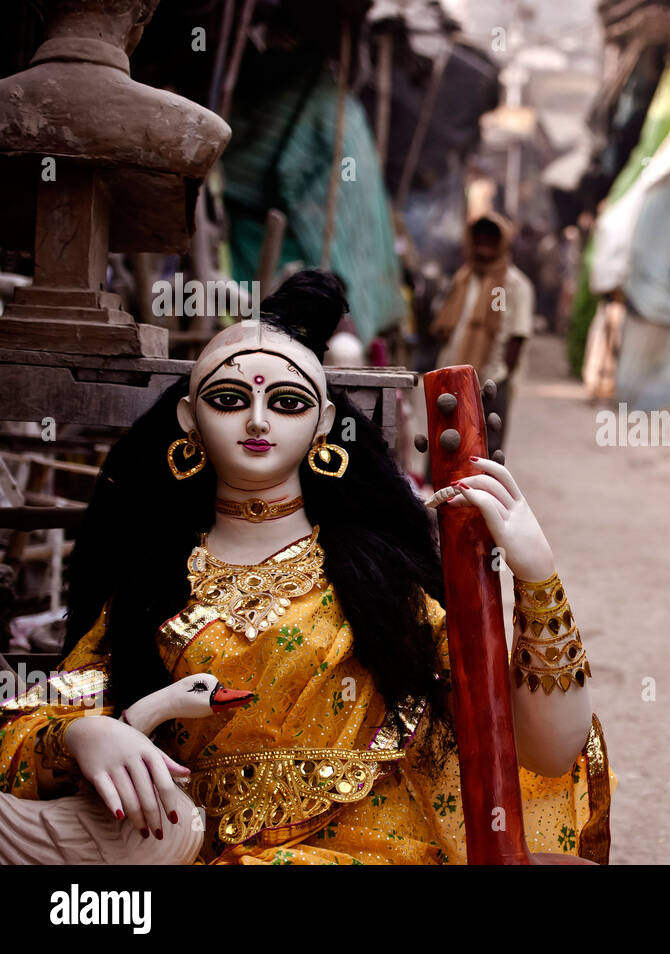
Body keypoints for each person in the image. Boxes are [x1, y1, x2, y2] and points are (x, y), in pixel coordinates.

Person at [0, 270, 609, 865]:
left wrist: (537, 580)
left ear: (322, 423)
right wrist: (79, 736)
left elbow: (548, 751)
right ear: (189, 419)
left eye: (286, 402)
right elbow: (23, 731)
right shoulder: (155, 585)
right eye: (230, 399)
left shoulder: (376, 581)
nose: (259, 422)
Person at [430, 213, 535, 457]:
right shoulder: (464, 277)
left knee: (485, 451)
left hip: (491, 380)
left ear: (503, 242)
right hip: (451, 376)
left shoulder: (516, 284)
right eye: (479, 237)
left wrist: (500, 380)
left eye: (491, 238)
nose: (484, 243)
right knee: (444, 444)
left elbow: (518, 336)